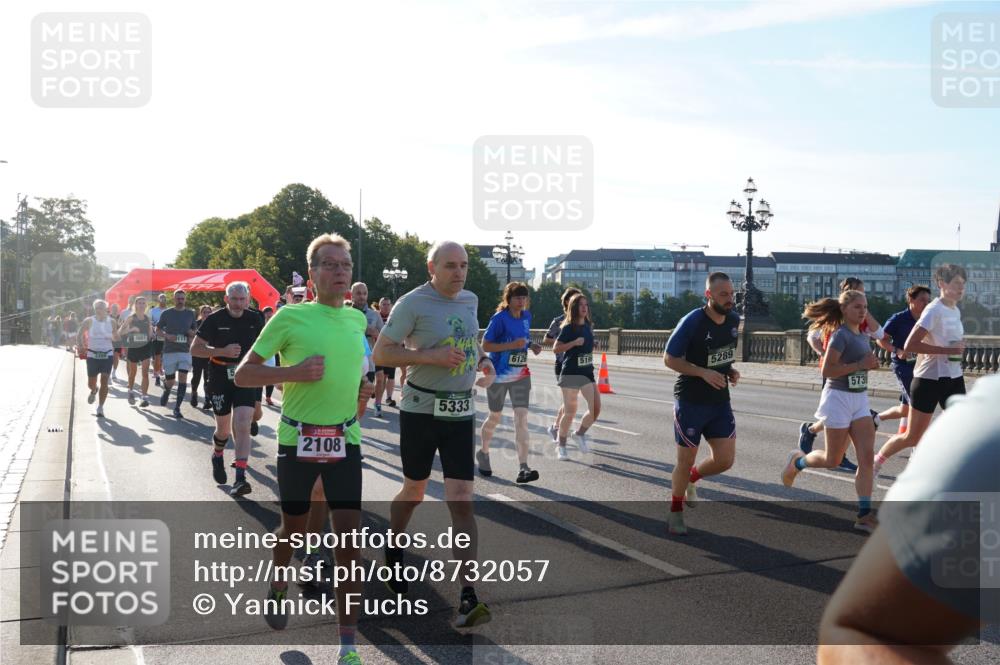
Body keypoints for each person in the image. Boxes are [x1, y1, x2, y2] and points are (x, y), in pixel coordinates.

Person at [235, 233, 370, 664]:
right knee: (293, 530)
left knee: (348, 541)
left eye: (345, 265)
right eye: (329, 264)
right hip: (298, 440)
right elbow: (243, 375)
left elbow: (354, 372)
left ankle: (347, 645)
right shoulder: (290, 318)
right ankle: (278, 582)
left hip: (345, 439)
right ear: (312, 274)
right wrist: (293, 371)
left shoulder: (356, 320)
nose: (339, 271)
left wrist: (361, 387)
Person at [818, 374, 999, 663]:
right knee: (839, 456)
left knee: (884, 447)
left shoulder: (988, 424)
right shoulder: (991, 426)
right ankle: (821, 465)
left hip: (934, 393)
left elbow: (862, 637)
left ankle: (866, 498)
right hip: (863, 392)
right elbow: (865, 634)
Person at [372, 240, 496, 629]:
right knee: (415, 491)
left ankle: (468, 595)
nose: (458, 273)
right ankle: (394, 542)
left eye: (463, 266)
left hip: (460, 411)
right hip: (421, 409)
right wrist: (430, 357)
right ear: (432, 267)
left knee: (461, 500)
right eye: (450, 266)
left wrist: (484, 359)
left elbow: (468, 339)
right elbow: (382, 354)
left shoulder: (470, 299)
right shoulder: (412, 303)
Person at [781, 290, 880, 533]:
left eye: (865, 306)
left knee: (867, 459)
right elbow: (827, 371)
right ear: (844, 309)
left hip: (860, 400)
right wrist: (860, 365)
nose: (862, 311)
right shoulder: (840, 335)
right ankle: (798, 461)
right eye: (857, 307)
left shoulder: (863, 335)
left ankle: (864, 514)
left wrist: (869, 366)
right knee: (833, 459)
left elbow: (860, 366)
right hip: (838, 399)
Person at [663, 273, 741, 536]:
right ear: (709, 295)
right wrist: (703, 372)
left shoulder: (734, 320)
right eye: (723, 294)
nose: (730, 299)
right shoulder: (693, 321)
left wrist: (729, 370)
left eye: (731, 293)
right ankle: (675, 512)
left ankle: (693, 479)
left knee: (725, 460)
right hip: (691, 401)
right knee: (684, 461)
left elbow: (721, 355)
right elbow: (670, 359)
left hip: (719, 401)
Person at [873, 265, 968, 479]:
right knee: (912, 437)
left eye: (963, 284)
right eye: (956, 284)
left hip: (954, 377)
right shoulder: (933, 310)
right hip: (929, 379)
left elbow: (946, 339)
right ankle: (876, 462)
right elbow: (910, 345)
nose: (961, 289)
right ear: (942, 285)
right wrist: (946, 350)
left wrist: (958, 346)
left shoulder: (954, 309)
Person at [798, 277, 884, 471]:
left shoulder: (861, 320)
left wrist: (866, 365)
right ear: (846, 296)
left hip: (857, 387)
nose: (862, 305)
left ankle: (818, 436)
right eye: (858, 295)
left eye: (864, 300)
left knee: (863, 454)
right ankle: (821, 446)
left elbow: (880, 334)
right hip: (835, 377)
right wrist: (823, 352)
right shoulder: (838, 325)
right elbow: (812, 335)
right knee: (835, 429)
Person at [192, 284, 264, 497]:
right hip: (220, 375)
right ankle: (217, 454)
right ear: (226, 298)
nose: (238, 303)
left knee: (243, 423)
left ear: (248, 299)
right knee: (223, 430)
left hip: (245, 376)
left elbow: (267, 345)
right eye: (234, 299)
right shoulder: (214, 319)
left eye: (243, 299)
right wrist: (222, 350)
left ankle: (240, 478)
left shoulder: (255, 319)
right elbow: (195, 349)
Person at [477, 282, 543, 483]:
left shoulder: (526, 316)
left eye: (524, 298)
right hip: (499, 374)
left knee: (521, 419)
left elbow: (524, 337)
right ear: (509, 299)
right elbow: (485, 345)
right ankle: (484, 453)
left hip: (521, 374)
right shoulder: (499, 319)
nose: (522, 301)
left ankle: (523, 468)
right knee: (495, 417)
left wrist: (531, 345)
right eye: (518, 298)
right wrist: (511, 345)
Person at [872, 285, 932, 436]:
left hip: (922, 365)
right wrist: (896, 350)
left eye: (928, 301)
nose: (926, 304)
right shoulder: (899, 319)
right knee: (917, 404)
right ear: (911, 300)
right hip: (904, 366)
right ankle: (915, 441)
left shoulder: (928, 319)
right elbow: (881, 339)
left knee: (906, 409)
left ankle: (876, 418)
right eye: (922, 300)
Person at [552, 293, 601, 461]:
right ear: (574, 308)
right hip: (571, 372)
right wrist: (573, 343)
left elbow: (585, 346)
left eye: (586, 305)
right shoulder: (568, 328)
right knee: (570, 412)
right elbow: (556, 349)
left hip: (587, 372)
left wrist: (592, 344)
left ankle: (579, 434)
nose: (584, 308)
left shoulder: (588, 326)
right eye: (581, 305)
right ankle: (562, 446)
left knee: (596, 408)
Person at [543, 287, 582, 441]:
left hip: (578, 364)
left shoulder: (581, 321)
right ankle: (559, 432)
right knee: (570, 400)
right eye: (575, 300)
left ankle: (556, 427)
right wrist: (564, 342)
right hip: (562, 364)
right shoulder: (558, 321)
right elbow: (546, 339)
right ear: (567, 302)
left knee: (570, 400)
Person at [156, 290, 197, 418]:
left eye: (182, 299)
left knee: (183, 378)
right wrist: (167, 335)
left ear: (185, 300)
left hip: (185, 351)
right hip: (170, 350)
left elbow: (194, 331)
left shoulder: (190, 313)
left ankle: (177, 408)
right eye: (178, 298)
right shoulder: (167, 313)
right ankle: (167, 389)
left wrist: (191, 335)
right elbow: (157, 330)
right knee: (171, 380)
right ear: (174, 299)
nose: (180, 300)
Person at [77, 300, 119, 418]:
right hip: (92, 355)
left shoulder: (112, 321)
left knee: (105, 380)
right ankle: (94, 390)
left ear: (106, 309)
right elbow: (79, 334)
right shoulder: (89, 321)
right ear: (95, 309)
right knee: (91, 383)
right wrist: (80, 346)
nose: (100, 310)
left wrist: (115, 337)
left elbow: (116, 337)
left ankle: (100, 407)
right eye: (97, 308)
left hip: (107, 354)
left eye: (102, 307)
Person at [350, 282, 385, 417]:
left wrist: (375, 333)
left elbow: (383, 336)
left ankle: (356, 424)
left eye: (364, 293)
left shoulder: (374, 315)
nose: (362, 297)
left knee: (362, 400)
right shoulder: (345, 313)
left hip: (368, 363)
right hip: (349, 361)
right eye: (358, 293)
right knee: (349, 397)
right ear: (352, 295)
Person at [118, 296, 154, 407]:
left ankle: (144, 397)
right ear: (135, 305)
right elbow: (120, 332)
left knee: (145, 373)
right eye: (139, 303)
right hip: (133, 348)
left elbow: (150, 334)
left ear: (145, 305)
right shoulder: (131, 318)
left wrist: (151, 335)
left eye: (144, 303)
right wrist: (131, 330)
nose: (142, 305)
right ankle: (131, 391)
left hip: (145, 348)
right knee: (132, 373)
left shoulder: (147, 318)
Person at [190, 305, 214, 410]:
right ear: (201, 313)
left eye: (209, 312)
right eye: (205, 312)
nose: (207, 314)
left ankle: (207, 400)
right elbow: (191, 338)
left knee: (208, 378)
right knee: (196, 377)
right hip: (198, 355)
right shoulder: (196, 324)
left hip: (209, 355)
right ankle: (194, 393)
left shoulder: (215, 325)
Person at [376, 296, 397, 408]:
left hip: (391, 350)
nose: (386, 306)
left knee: (391, 376)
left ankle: (389, 398)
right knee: (380, 376)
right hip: (377, 350)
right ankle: (378, 397)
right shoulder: (375, 316)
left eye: (388, 304)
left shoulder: (394, 317)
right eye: (383, 304)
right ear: (379, 306)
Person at [149, 293, 168, 386]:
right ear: (158, 300)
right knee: (157, 357)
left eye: (164, 298)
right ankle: (157, 376)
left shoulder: (169, 311)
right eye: (161, 298)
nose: (163, 300)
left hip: (167, 336)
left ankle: (163, 374)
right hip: (156, 336)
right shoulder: (153, 311)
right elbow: (149, 322)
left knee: (165, 358)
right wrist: (154, 329)